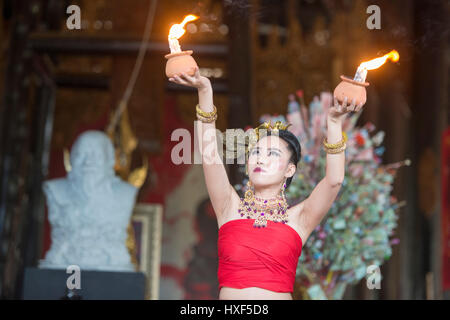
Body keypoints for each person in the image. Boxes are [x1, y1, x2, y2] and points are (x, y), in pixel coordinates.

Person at [169, 67, 364, 300]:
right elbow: (210, 155)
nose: (260, 158)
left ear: (289, 169)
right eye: (256, 152)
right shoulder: (228, 208)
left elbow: (334, 180)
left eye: (272, 153)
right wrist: (205, 90)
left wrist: (333, 122)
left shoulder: (299, 219)